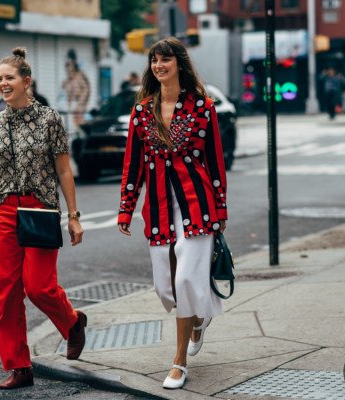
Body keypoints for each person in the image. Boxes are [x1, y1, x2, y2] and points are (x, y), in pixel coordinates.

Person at [0, 47, 87, 390]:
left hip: (40, 209)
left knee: (38, 286)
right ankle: (19, 366)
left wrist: (73, 216)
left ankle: (73, 322)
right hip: (5, 212)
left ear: (26, 81)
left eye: (9, 78)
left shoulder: (49, 119)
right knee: (6, 292)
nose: (3, 83)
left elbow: (64, 169)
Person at [117, 37, 228, 390]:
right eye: (154, 60)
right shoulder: (140, 112)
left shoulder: (203, 108)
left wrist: (221, 206)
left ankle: (178, 362)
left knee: (184, 282)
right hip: (160, 209)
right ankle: (197, 317)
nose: (158, 66)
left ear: (179, 63)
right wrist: (126, 209)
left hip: (198, 206)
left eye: (165, 59)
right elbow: (132, 164)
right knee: (166, 288)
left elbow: (215, 161)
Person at [62, 49, 90, 128]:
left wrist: (81, 103)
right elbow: (69, 93)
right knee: (74, 124)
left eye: (70, 65)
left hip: (79, 105)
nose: (68, 68)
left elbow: (85, 89)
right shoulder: (70, 79)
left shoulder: (78, 76)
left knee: (78, 123)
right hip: (74, 105)